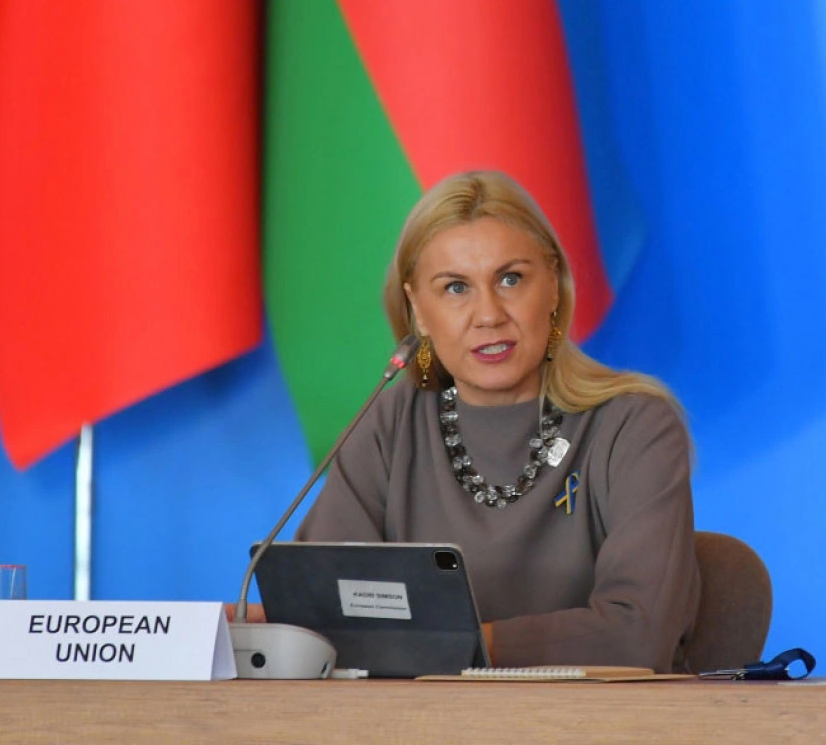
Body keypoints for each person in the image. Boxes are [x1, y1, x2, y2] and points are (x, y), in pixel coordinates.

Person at [294, 170, 700, 671]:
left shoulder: (634, 425)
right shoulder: (391, 423)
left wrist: (456, 643)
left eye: (511, 279)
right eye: (455, 287)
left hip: (592, 715)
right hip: (416, 714)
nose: (488, 314)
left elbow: (639, 633)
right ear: (418, 310)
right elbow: (322, 609)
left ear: (553, 286)